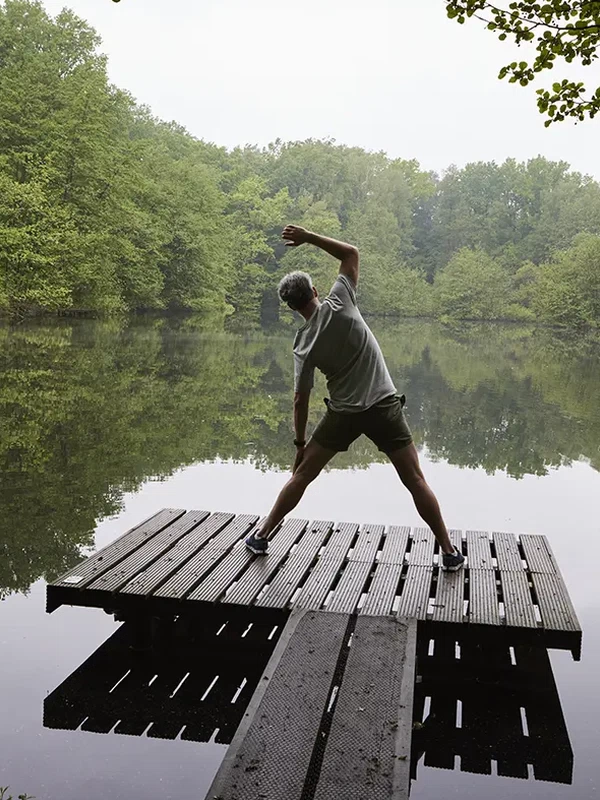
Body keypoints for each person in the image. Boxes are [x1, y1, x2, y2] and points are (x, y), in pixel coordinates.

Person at [245, 224, 464, 571]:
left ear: (291, 307)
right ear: (315, 290)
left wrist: (300, 443)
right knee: (416, 480)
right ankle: (449, 551)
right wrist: (309, 237)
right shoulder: (340, 302)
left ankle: (261, 536)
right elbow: (351, 253)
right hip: (383, 406)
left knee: (301, 476)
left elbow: (300, 400)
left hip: (343, 414)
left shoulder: (302, 345)